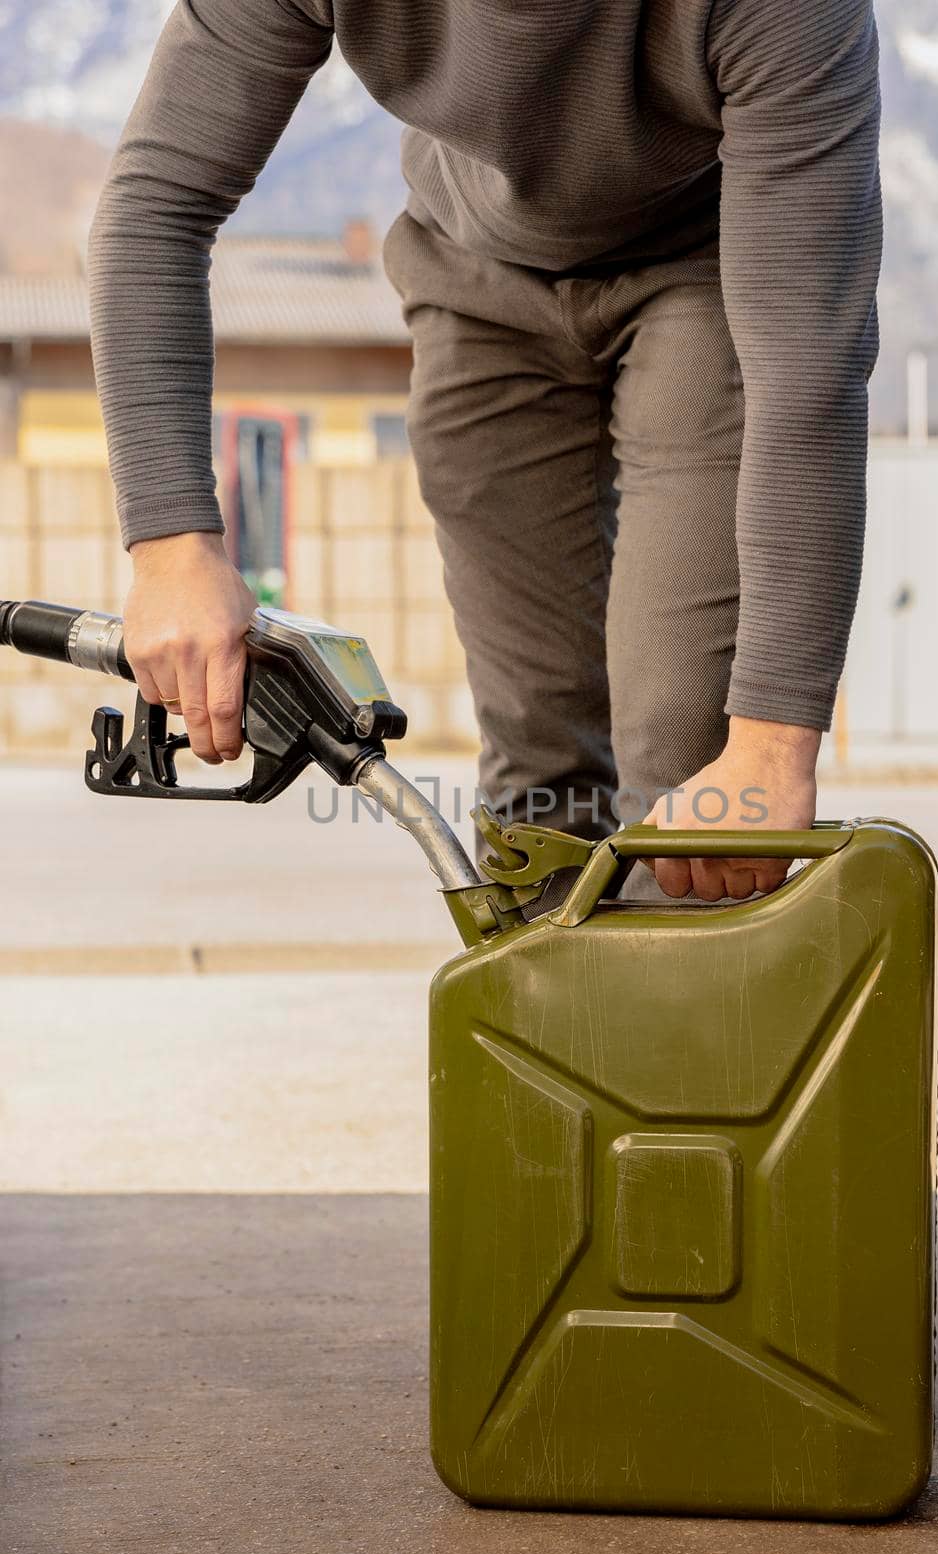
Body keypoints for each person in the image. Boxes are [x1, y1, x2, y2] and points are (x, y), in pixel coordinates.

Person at [87, 0, 882, 903]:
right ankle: (543, 1030)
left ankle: (696, 1030)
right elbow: (158, 202)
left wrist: (773, 744)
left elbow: (805, 376)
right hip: (475, 279)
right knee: (536, 761)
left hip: (707, 273)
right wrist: (172, 544)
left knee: (693, 763)